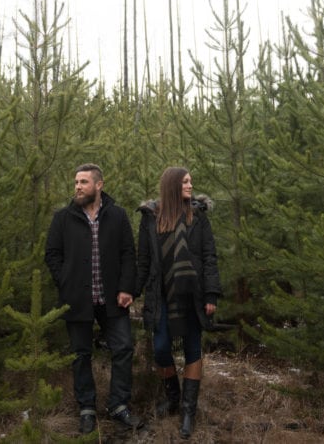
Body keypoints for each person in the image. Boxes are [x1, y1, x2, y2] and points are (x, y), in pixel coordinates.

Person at [45, 163, 144, 435]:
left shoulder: (117, 215)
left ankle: (119, 405)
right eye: (76, 182)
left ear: (99, 185)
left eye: (84, 182)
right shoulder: (63, 218)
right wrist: (65, 280)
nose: (78, 187)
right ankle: (86, 407)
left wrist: (127, 289)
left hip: (113, 298)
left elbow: (128, 254)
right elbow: (52, 254)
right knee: (81, 354)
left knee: (123, 348)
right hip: (77, 298)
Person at [135, 166, 222, 439]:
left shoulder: (198, 216)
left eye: (191, 182)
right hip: (162, 294)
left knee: (193, 348)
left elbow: (209, 257)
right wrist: (130, 292)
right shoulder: (151, 218)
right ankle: (173, 397)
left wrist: (210, 295)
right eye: (185, 182)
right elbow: (144, 261)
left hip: (192, 293)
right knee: (161, 349)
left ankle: (188, 410)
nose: (190, 186)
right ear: (173, 185)